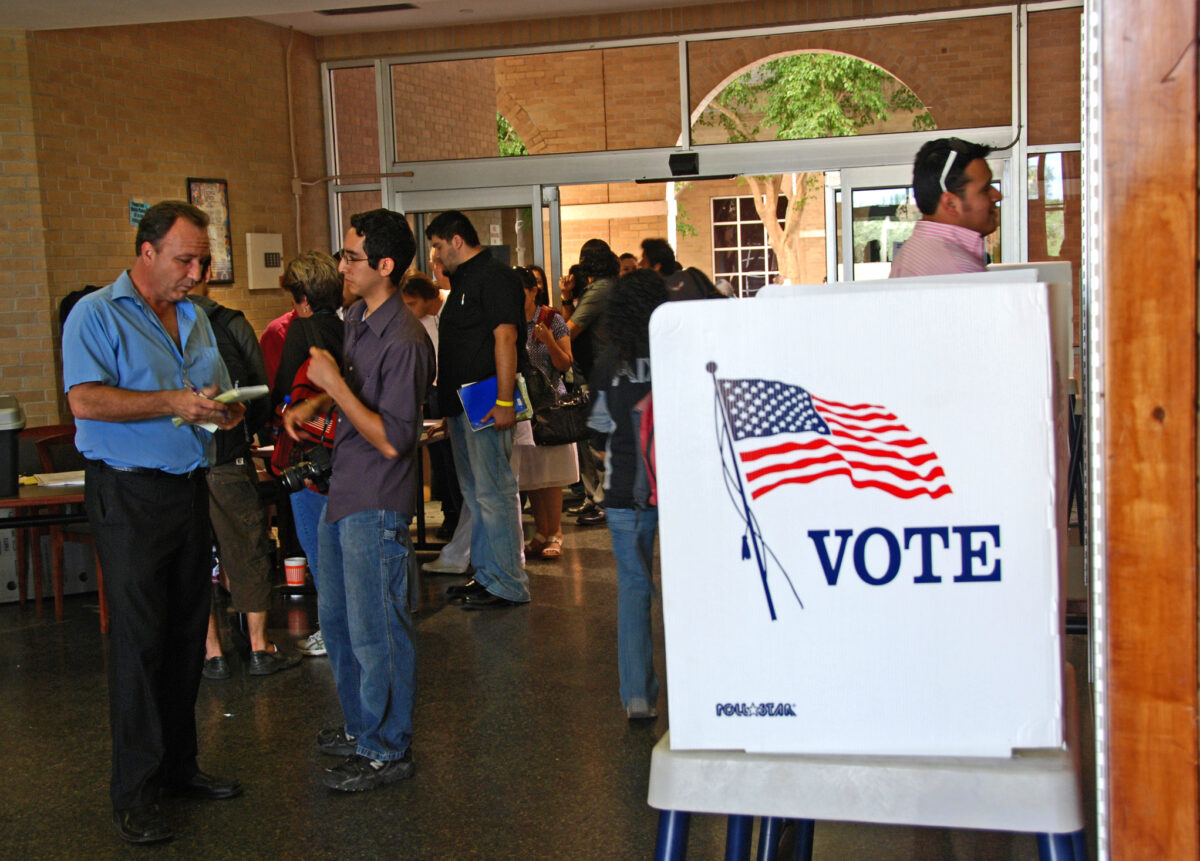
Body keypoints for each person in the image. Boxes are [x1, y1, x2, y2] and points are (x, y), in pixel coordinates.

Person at [62, 200, 246, 844]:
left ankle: (178, 769)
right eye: (184, 260)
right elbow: (85, 399)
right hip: (128, 493)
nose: (196, 272)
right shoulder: (96, 314)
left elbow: (217, 395)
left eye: (202, 260)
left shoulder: (195, 319)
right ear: (146, 252)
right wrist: (168, 401)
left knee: (187, 631)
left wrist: (226, 413)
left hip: (187, 487)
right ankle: (135, 790)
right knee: (139, 642)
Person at [283, 208, 433, 792]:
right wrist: (315, 405)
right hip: (342, 488)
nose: (342, 266)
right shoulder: (354, 317)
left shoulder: (405, 340)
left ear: (385, 265)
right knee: (341, 623)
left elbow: (395, 439)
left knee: (379, 630)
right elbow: (353, 393)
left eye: (350, 257)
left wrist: (332, 387)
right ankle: (361, 726)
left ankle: (387, 749)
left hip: (377, 497)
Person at [190, 274, 302, 679]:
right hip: (227, 456)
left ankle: (211, 653)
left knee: (191, 557)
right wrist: (244, 432)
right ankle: (259, 647)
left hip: (175, 462)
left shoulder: (153, 323)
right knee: (246, 548)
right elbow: (258, 389)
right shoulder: (229, 321)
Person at [426, 210, 531, 610]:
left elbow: (505, 338)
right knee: (476, 494)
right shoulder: (464, 281)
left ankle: (508, 581)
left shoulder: (495, 277)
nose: (435, 255)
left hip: (488, 397)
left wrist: (504, 401)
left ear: (456, 240)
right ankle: (488, 574)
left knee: (494, 492)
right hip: (461, 403)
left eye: (437, 246)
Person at [586, 267, 669, 720]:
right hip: (677, 493)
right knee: (683, 593)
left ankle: (638, 696)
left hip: (623, 493)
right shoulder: (678, 353)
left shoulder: (608, 361)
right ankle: (698, 696)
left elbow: (598, 433)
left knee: (635, 590)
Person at [272, 251, 346, 658]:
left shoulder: (301, 332)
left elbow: (285, 389)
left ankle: (331, 630)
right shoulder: (349, 327)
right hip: (344, 450)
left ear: (301, 297)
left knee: (318, 547)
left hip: (309, 453)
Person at [510, 267, 578, 559]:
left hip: (550, 405)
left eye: (521, 292)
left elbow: (565, 364)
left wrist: (548, 339)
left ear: (534, 291)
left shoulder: (551, 319)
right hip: (525, 408)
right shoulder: (509, 321)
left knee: (552, 476)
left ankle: (556, 533)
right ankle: (540, 531)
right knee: (534, 473)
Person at [402, 271, 462, 542]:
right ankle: (449, 512)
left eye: (412, 304)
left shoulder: (452, 305)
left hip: (455, 388)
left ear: (428, 298)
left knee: (455, 457)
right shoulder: (414, 322)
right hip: (433, 390)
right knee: (439, 457)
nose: (409, 310)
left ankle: (461, 516)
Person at [888, 137, 1002, 278]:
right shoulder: (960, 270)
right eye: (985, 189)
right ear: (950, 204)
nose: (997, 195)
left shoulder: (913, 251)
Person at [565, 239, 619, 527]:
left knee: (595, 442)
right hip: (602, 372)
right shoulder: (608, 286)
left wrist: (548, 339)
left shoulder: (598, 290)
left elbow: (571, 328)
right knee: (594, 441)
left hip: (597, 374)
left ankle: (601, 501)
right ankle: (597, 498)